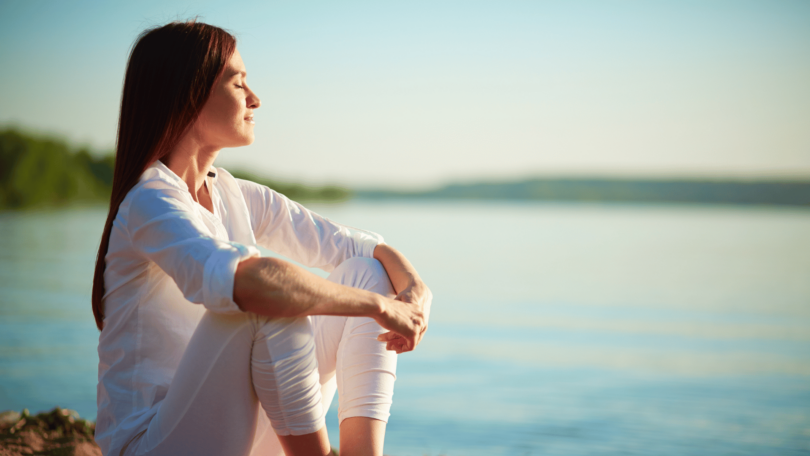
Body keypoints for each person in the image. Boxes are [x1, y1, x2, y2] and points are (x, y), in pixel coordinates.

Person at [91, 20, 431, 456]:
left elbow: (363, 249)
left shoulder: (232, 192)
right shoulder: (150, 201)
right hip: (154, 443)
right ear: (189, 94)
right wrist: (380, 307)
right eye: (238, 83)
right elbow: (250, 283)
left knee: (365, 273)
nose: (255, 99)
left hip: (234, 433)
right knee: (263, 300)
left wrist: (413, 291)